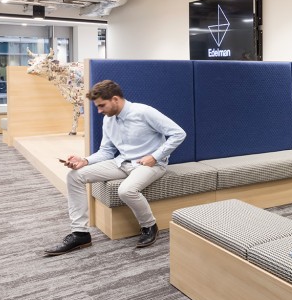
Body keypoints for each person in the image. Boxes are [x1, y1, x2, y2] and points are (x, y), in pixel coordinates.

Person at [45, 80, 187, 256]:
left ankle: (149, 226)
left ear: (115, 99)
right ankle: (80, 233)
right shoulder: (108, 120)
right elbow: (106, 151)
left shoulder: (144, 112)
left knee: (126, 190)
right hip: (122, 162)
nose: (99, 111)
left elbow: (178, 133)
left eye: (101, 105)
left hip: (151, 164)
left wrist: (155, 156)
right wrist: (84, 160)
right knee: (75, 175)